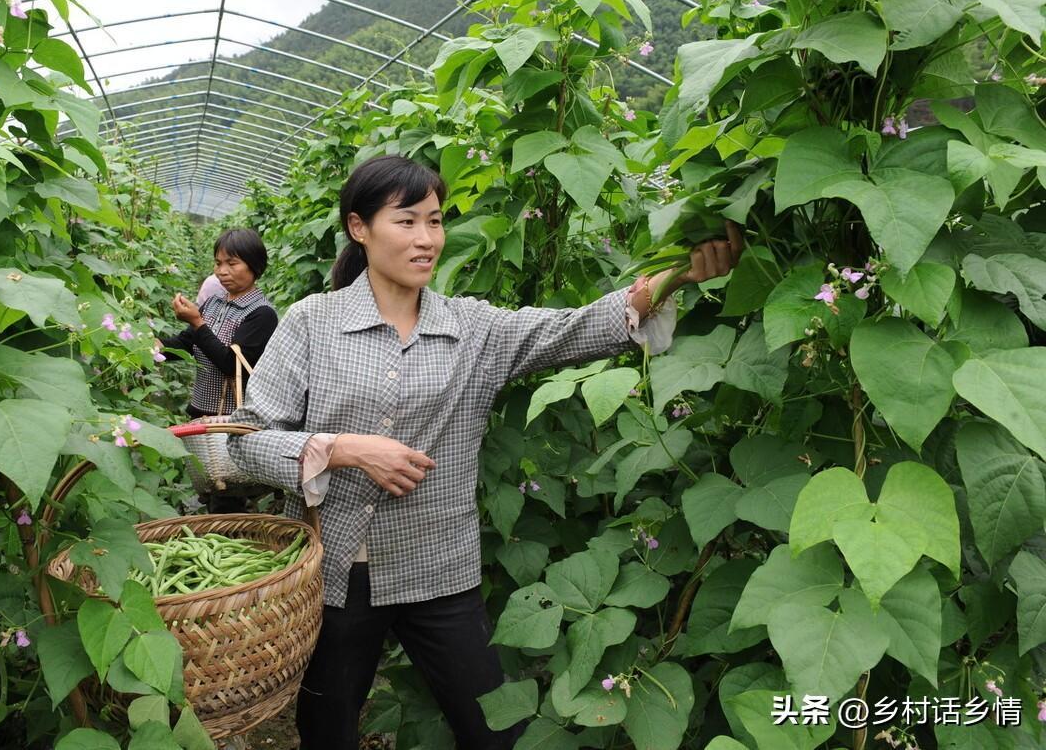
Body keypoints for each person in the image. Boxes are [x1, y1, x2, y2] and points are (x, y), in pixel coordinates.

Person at [224, 155, 742, 749]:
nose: (426, 240)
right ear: (358, 228)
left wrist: (677, 273)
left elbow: (573, 328)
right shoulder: (312, 322)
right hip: (339, 573)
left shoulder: (472, 327)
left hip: (439, 569)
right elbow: (249, 441)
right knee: (328, 728)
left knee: (495, 727)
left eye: (436, 222)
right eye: (406, 222)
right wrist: (341, 449)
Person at [158, 227, 278, 419]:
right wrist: (153, 346)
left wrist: (197, 322)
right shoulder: (214, 302)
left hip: (232, 419)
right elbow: (187, 343)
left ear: (254, 265)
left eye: (232, 263)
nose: (222, 272)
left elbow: (231, 364)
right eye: (218, 263)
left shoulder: (262, 314)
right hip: (200, 411)